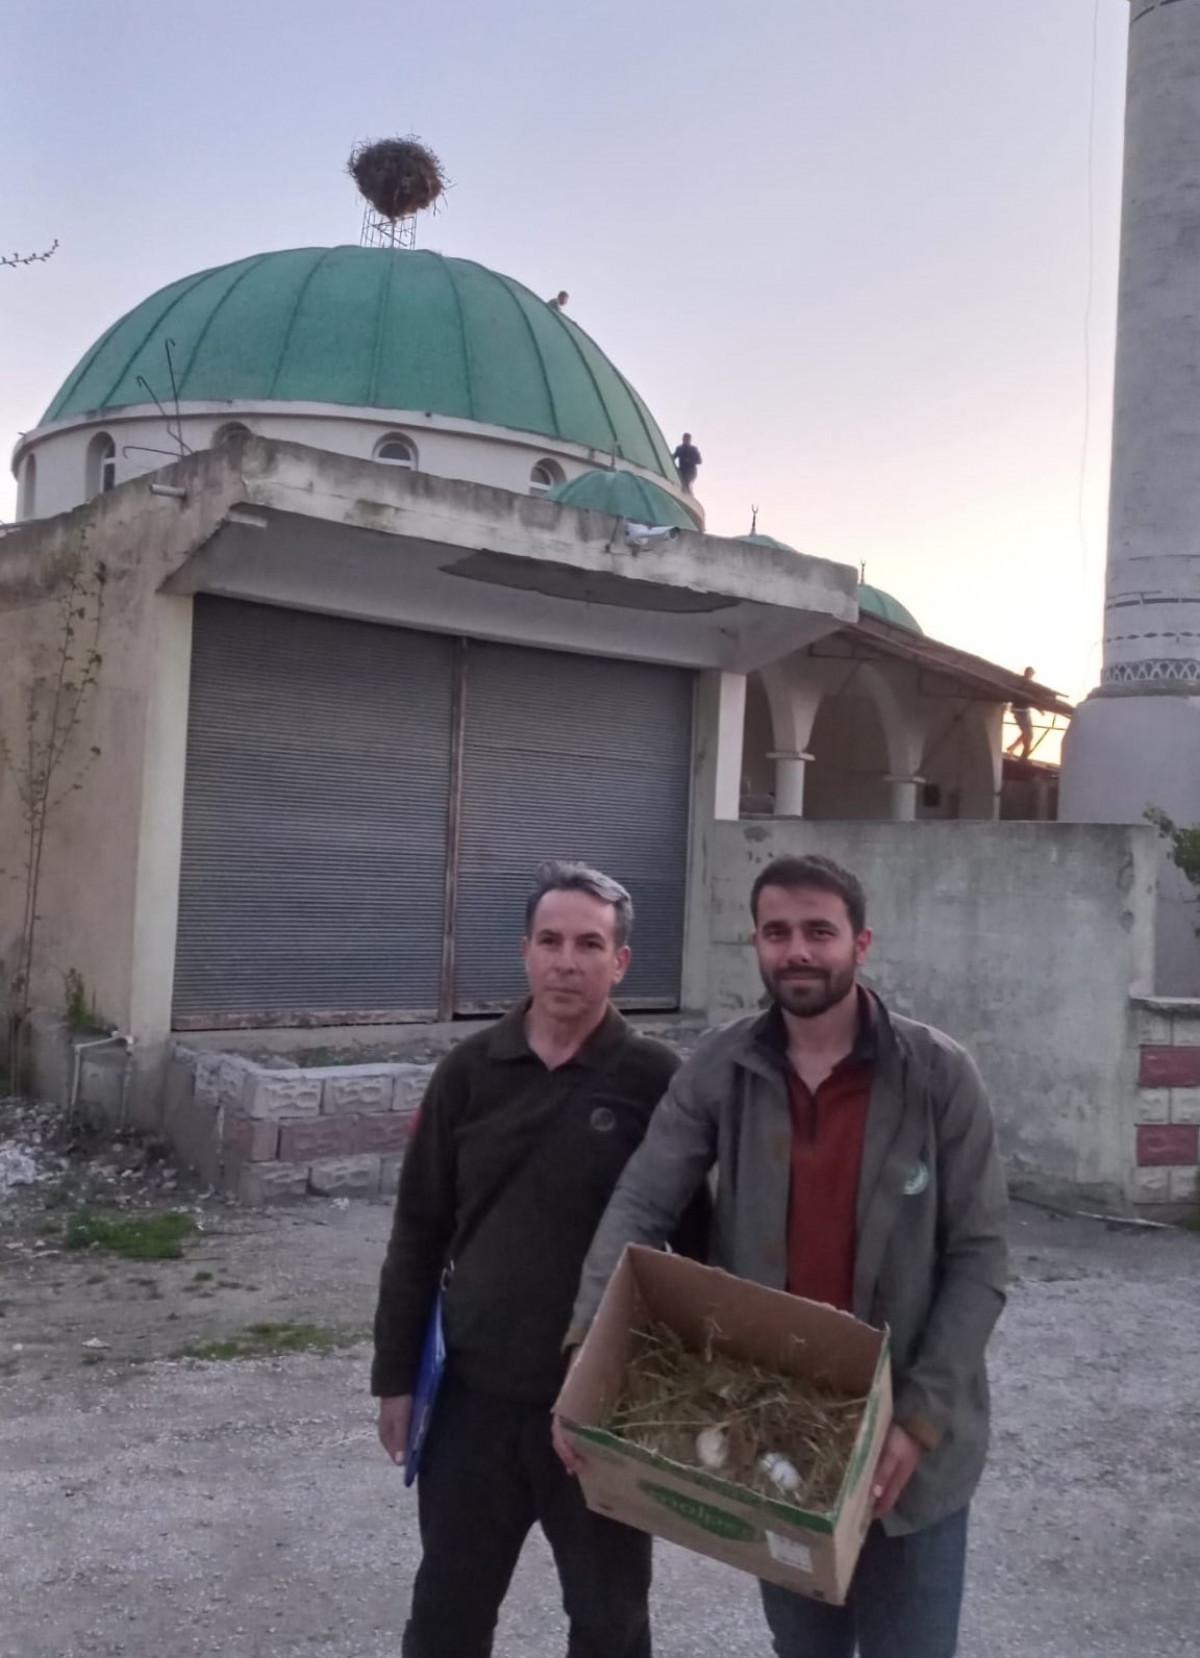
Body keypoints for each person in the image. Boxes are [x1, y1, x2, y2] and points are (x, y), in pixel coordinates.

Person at [557, 852, 1008, 1658]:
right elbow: (642, 1202)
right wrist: (588, 1347)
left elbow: (979, 1257)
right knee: (804, 1645)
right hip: (779, 1429)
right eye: (777, 932)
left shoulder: (938, 1075)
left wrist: (919, 1420)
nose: (797, 950)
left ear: (860, 943)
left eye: (818, 932)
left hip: (911, 1441)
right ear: (757, 943)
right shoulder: (722, 1066)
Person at [372, 859, 707, 1658]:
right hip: (473, 1401)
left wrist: (689, 1395)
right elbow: (418, 1231)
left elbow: (698, 1246)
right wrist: (394, 1379)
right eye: (550, 941)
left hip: (603, 1410)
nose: (567, 961)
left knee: (610, 1622)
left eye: (589, 945)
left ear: (620, 962)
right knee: (447, 1615)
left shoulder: (657, 1080)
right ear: (524, 952)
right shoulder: (468, 1073)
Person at [1006, 666, 1036, 759]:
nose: (1030, 675)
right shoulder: (1020, 682)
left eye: (1032, 674)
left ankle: (1013, 748)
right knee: (1028, 734)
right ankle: (1023, 755)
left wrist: (1039, 709)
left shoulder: (1030, 684)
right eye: (1029, 673)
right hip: (1019, 711)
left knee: (1028, 734)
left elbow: (1031, 699)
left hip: (1025, 711)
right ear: (1026, 673)